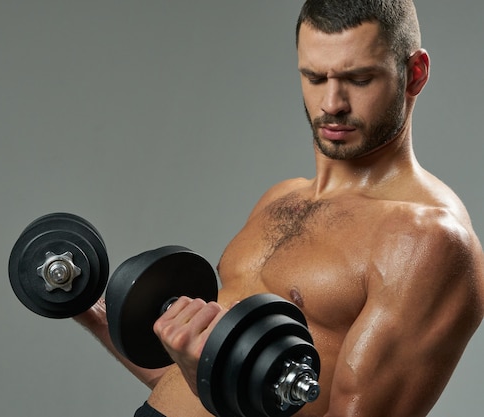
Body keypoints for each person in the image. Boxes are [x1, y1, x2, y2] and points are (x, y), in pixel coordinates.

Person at [76, 1, 484, 416]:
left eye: (358, 79)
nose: (331, 103)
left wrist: (213, 390)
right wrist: (88, 309)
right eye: (314, 76)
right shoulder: (281, 197)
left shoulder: (426, 240)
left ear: (415, 74)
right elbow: (189, 380)